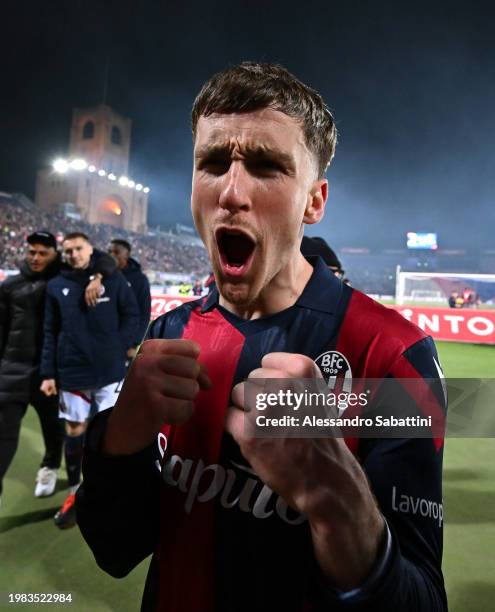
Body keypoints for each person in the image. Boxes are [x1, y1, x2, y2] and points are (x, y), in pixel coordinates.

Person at [76, 63, 447, 611]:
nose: (231, 191)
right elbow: (116, 549)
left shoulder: (393, 357)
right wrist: (115, 445)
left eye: (267, 166)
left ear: (313, 202)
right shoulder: (169, 336)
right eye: (212, 162)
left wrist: (336, 500)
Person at [0, 231, 115, 503]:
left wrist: (97, 277)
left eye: (43, 253)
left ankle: (49, 466)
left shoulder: (67, 278)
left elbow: (107, 261)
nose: (36, 258)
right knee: (3, 435)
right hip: (12, 371)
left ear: (55, 254)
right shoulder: (9, 287)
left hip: (51, 372)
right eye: (32, 252)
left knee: (54, 429)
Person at [40, 232, 138, 528]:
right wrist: (48, 373)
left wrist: (118, 346)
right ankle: (74, 492)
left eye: (78, 249)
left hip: (109, 372)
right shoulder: (56, 286)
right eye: (67, 251)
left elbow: (131, 315)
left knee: (110, 431)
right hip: (73, 374)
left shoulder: (112, 279)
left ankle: (108, 490)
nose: (73, 255)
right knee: (75, 430)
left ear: (89, 249)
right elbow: (49, 331)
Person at [108, 238, 151, 355]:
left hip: (125, 343)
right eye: (109, 251)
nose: (111, 255)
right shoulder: (103, 275)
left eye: (116, 252)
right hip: (103, 340)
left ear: (126, 255)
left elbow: (144, 314)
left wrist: (135, 343)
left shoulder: (139, 279)